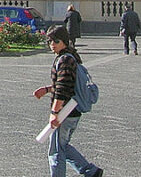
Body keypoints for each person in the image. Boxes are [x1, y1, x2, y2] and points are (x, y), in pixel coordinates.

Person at [32, 25, 102, 177]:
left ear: (64, 41)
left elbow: (63, 89)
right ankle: (91, 171)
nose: (52, 45)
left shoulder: (64, 60)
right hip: (73, 110)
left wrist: (54, 113)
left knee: (56, 150)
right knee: (62, 145)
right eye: (49, 41)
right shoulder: (71, 57)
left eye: (56, 41)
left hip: (66, 111)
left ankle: (86, 171)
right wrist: (47, 89)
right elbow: (67, 84)